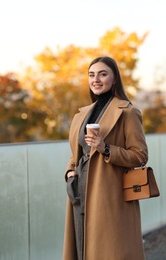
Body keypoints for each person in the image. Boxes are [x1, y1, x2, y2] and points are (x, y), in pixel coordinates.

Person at [63, 56, 148, 260]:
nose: (96, 80)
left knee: (108, 250)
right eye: (92, 75)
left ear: (114, 79)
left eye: (103, 74)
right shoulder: (82, 114)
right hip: (79, 189)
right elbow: (76, 152)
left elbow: (140, 156)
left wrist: (105, 147)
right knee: (82, 248)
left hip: (109, 194)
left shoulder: (128, 112)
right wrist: (69, 172)